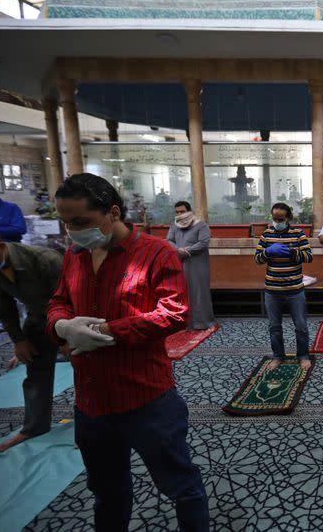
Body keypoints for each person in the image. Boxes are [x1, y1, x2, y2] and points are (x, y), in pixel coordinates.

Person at [46, 173, 208, 531]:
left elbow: (174, 312)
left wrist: (106, 332)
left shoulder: (155, 252)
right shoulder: (76, 255)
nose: (72, 231)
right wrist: (61, 326)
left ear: (112, 212)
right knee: (106, 490)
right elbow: (58, 301)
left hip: (145, 398)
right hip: (91, 402)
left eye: (81, 222)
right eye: (66, 223)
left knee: (180, 485)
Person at [0, 224, 62, 452]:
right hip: (37, 318)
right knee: (35, 369)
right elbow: (3, 307)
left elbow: (71, 298)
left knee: (88, 371)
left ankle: (90, 428)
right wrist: (19, 341)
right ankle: (35, 426)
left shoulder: (45, 259)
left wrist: (70, 339)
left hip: (70, 318)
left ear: (0, 246)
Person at [255, 203, 313, 370]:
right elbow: (257, 259)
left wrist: (293, 252)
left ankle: (303, 355)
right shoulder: (266, 234)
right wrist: (268, 252)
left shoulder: (298, 234)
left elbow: (309, 257)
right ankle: (278, 356)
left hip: (295, 290)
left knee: (301, 326)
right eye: (275, 219)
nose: (277, 221)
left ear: (288, 218)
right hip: (272, 291)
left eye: (281, 219)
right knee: (274, 327)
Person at [166, 201, 215, 331]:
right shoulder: (174, 226)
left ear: (189, 211)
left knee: (199, 292)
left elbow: (204, 242)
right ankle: (183, 322)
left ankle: (202, 323)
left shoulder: (201, 225)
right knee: (182, 292)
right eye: (177, 212)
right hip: (179, 263)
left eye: (182, 211)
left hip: (197, 264)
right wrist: (178, 250)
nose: (179, 214)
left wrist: (187, 250)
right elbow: (169, 240)